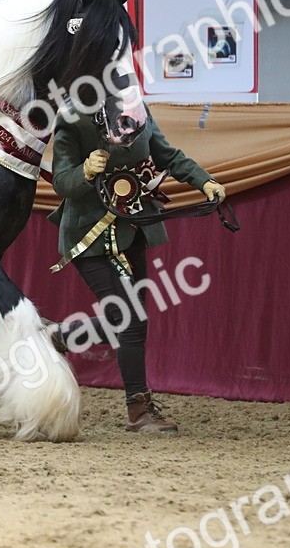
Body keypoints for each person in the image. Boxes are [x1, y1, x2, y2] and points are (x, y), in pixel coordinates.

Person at [49, 106, 225, 433]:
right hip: (90, 237)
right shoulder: (73, 119)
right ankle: (138, 409)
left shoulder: (138, 113)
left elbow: (167, 156)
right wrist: (85, 171)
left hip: (132, 231)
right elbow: (61, 182)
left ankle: (60, 337)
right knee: (130, 318)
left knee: (130, 320)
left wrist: (204, 181)